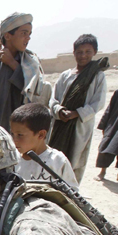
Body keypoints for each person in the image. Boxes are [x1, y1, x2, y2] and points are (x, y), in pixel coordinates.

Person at [49, 34, 108, 184]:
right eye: (79, 52)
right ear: (74, 53)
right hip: (60, 123)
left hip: (81, 126)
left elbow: (98, 102)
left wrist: (76, 114)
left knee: (75, 161)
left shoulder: (97, 76)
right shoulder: (65, 76)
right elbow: (53, 99)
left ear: (95, 52)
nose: (83, 56)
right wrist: (60, 111)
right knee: (54, 159)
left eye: (88, 52)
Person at [11, 103, 79, 189]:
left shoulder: (58, 161)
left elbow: (72, 192)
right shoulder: (12, 160)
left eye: (20, 135)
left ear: (41, 135)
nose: (14, 139)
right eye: (12, 134)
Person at [95, 90, 118, 181]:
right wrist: (103, 125)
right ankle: (102, 171)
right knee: (105, 147)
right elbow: (109, 109)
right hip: (114, 125)